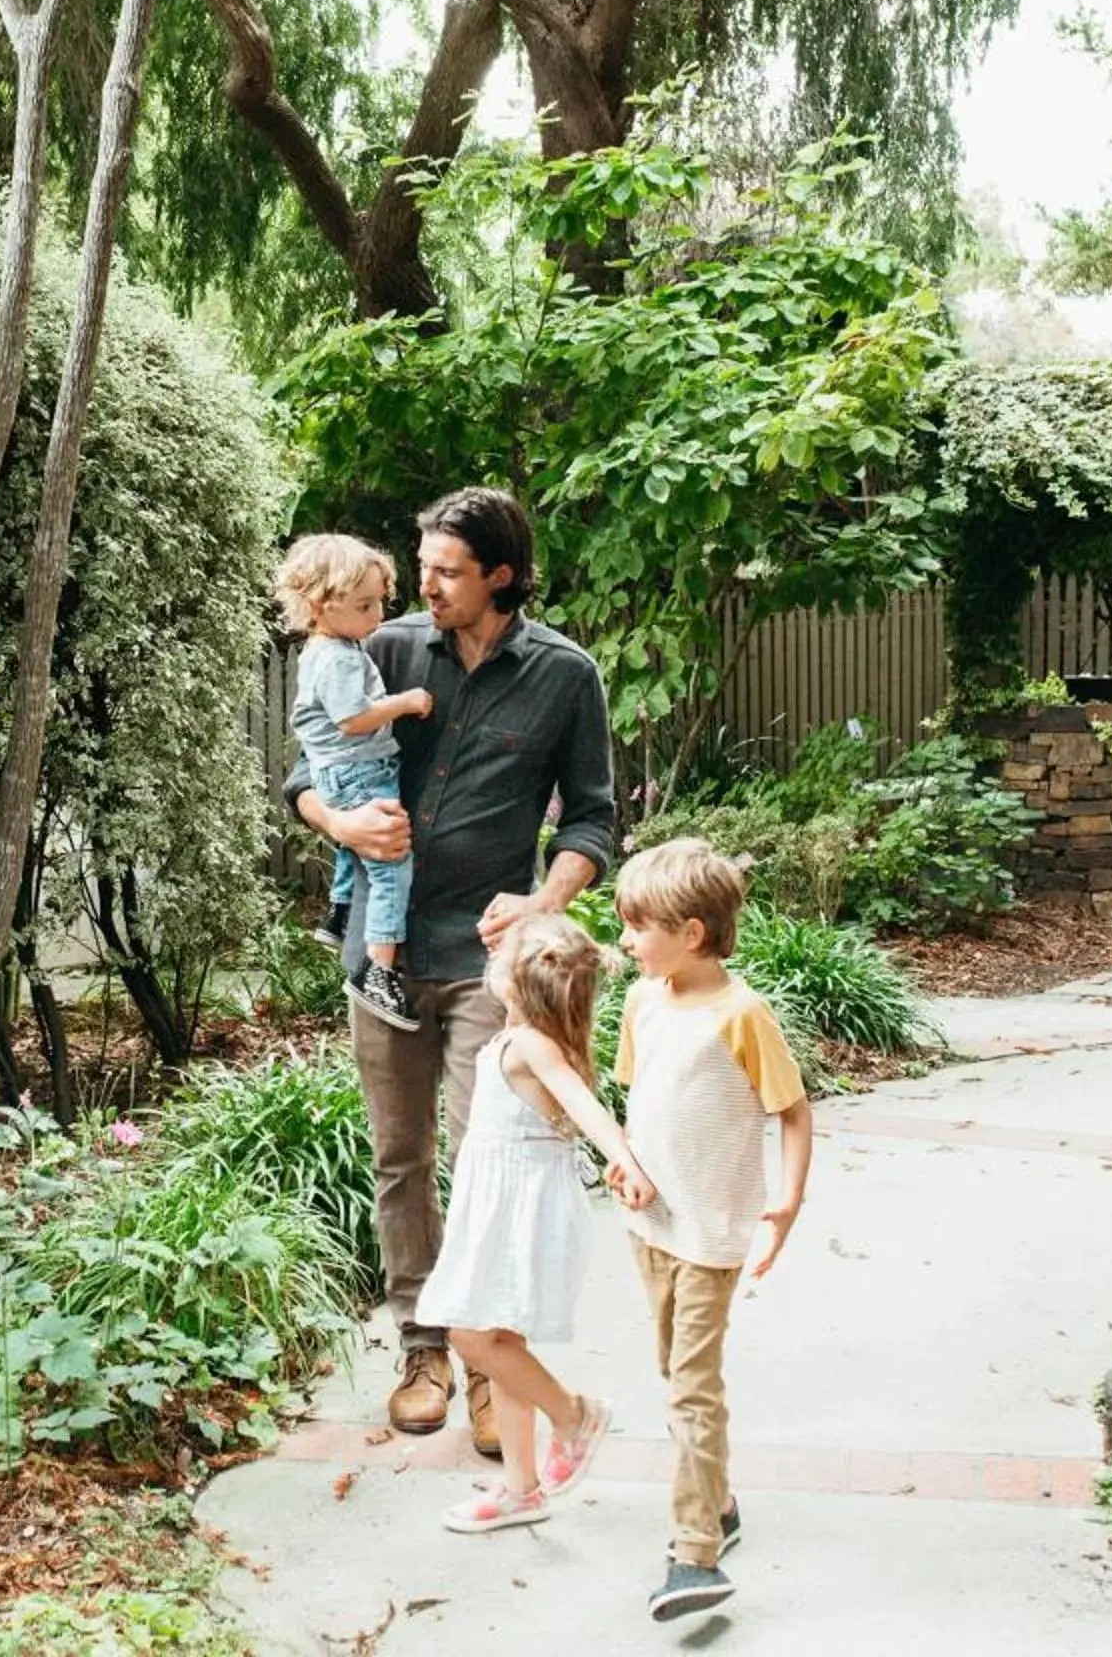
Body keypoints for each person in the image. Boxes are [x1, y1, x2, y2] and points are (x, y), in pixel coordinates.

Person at [281, 487, 617, 1458]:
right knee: (400, 1158)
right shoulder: (377, 649)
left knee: (480, 1160)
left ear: (500, 576)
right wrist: (340, 823)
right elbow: (302, 769)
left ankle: (486, 1364)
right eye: (421, 565)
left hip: (487, 959)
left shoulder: (564, 675)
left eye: (446, 570)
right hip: (380, 952)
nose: (423, 583)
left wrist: (546, 903)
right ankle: (422, 1346)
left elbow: (594, 815)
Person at [609, 836, 816, 1622]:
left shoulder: (742, 1015)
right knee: (672, 1369)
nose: (625, 939)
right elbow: (642, 1107)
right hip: (650, 1227)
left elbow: (793, 1111)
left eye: (638, 925)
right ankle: (721, 1502)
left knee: (693, 1388)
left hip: (713, 1234)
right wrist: (621, 1163)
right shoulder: (642, 1001)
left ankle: (694, 1554)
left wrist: (789, 1201)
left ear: (691, 932)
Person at [417, 915, 655, 1533]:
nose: (489, 955)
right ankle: (522, 1488)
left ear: (519, 983)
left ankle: (573, 1415)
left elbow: (585, 1106)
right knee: (500, 1342)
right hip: (502, 1204)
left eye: (503, 954)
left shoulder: (532, 1046)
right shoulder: (521, 1039)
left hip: (519, 1212)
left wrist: (623, 1157)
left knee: (471, 1335)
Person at [272, 534, 431, 1031]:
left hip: (339, 771)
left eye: (380, 601)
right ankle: (377, 972)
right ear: (320, 605)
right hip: (357, 767)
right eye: (364, 605)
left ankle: (340, 913)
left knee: (354, 846)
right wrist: (406, 702)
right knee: (390, 866)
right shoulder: (338, 656)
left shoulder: (330, 646)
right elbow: (353, 718)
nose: (377, 616)